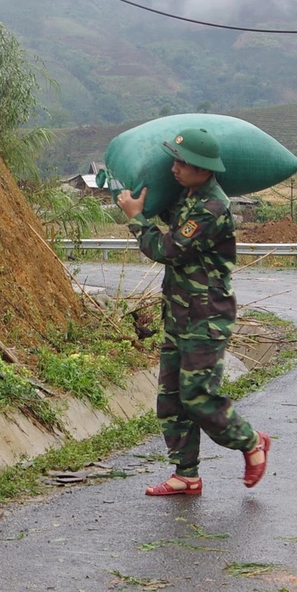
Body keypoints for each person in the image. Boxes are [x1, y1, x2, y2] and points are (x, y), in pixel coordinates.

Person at [116, 128, 271, 496]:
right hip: (179, 313)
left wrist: (137, 219)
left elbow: (168, 249)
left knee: (197, 395)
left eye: (183, 163)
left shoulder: (211, 208)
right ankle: (186, 474)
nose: (174, 168)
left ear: (204, 170)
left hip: (207, 315)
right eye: (174, 160)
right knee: (170, 398)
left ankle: (251, 442)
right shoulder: (186, 195)